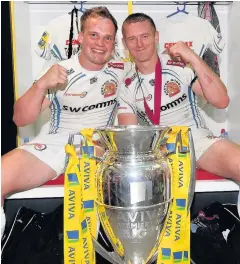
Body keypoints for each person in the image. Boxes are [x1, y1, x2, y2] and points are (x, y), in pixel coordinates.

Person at [1, 6, 128, 236]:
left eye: (107, 37)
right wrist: (40, 85)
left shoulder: (122, 70)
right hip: (57, 142)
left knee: (89, 192)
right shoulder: (59, 72)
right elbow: (20, 118)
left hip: (98, 146)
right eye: (94, 35)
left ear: (114, 42)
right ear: (80, 37)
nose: (100, 43)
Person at [117, 13, 240, 204]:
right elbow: (130, 137)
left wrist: (193, 58)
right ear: (125, 43)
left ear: (156, 37)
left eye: (145, 36)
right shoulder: (126, 84)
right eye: (132, 39)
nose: (139, 44)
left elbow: (221, 100)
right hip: (158, 151)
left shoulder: (179, 66)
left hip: (196, 141)